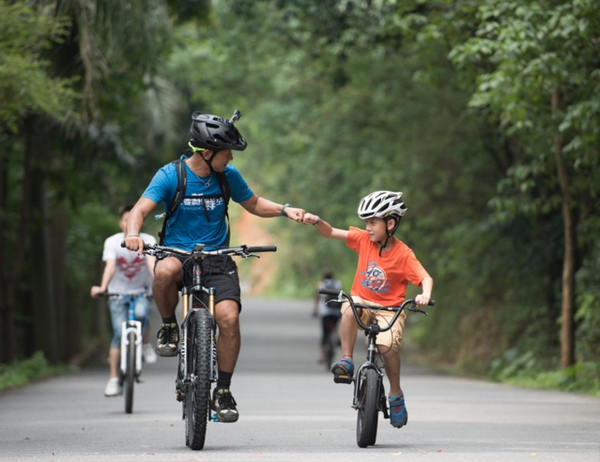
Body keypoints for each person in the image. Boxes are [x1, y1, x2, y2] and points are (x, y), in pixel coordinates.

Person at [123, 110, 305, 423]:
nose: (230, 160)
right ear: (207, 153)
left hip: (218, 257)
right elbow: (140, 209)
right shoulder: (171, 175)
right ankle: (168, 326)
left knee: (229, 318)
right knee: (164, 271)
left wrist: (286, 211)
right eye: (226, 154)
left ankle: (222, 389)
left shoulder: (227, 178)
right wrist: (132, 234)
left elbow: (254, 203)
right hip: (177, 253)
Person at [303, 190, 433, 429]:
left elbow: (425, 277)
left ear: (390, 223)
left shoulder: (403, 254)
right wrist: (318, 222)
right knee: (349, 308)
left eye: (373, 222)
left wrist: (425, 294)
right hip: (362, 301)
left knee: (385, 347)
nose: (368, 227)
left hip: (390, 309)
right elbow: (331, 232)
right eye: (366, 223)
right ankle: (347, 360)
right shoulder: (364, 239)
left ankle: (395, 394)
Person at [91, 204, 157, 397]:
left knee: (142, 314)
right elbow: (110, 266)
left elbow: (151, 264)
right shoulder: (112, 242)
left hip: (142, 291)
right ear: (121, 223)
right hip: (117, 294)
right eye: (126, 220)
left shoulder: (149, 240)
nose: (129, 224)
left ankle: (144, 345)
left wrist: (159, 284)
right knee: (119, 334)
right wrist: (103, 288)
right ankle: (113, 379)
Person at [313, 270, 342, 364]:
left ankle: (323, 356)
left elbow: (317, 298)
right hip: (336, 312)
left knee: (325, 334)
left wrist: (315, 311)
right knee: (334, 326)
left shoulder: (320, 285)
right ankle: (337, 338)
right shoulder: (338, 284)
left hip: (325, 313)